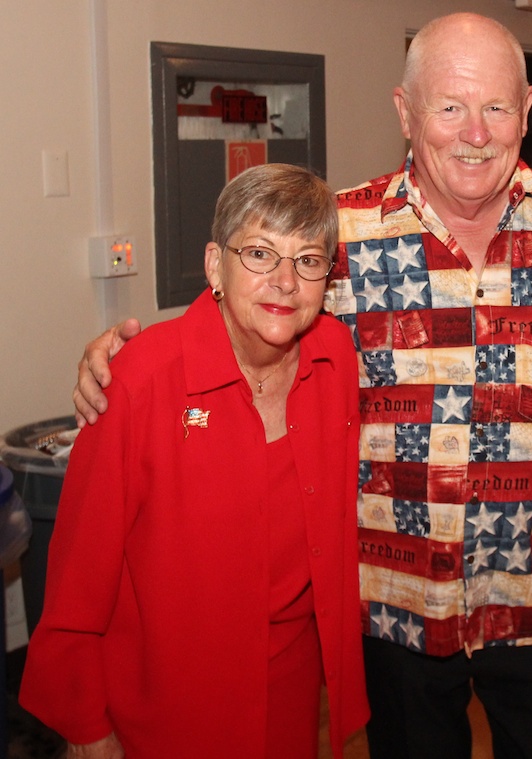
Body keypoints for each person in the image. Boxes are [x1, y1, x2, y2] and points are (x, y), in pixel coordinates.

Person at [72, 14, 532, 759]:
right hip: (395, 611)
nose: (475, 132)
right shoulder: (341, 237)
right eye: (449, 106)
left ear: (527, 108)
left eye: (495, 106)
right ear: (405, 111)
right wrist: (126, 359)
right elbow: (252, 304)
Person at [20, 164, 368, 758]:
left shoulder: (335, 356)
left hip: (290, 687)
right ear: (214, 265)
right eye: (260, 253)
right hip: (166, 700)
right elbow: (78, 576)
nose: (285, 280)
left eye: (308, 260)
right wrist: (86, 727)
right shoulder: (138, 382)